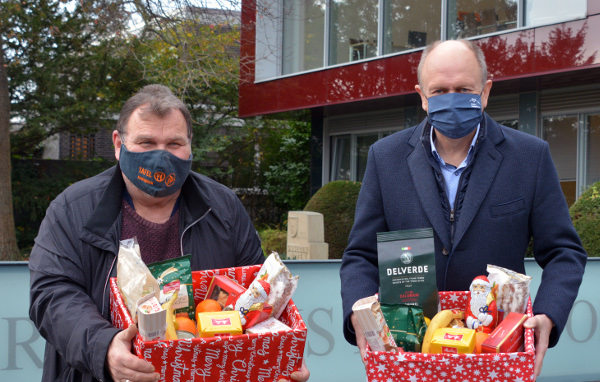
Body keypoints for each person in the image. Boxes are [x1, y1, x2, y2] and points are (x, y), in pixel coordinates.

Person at [339, 40, 587, 378]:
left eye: (463, 89)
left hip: (495, 352)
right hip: (409, 353)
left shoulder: (529, 158)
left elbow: (564, 252)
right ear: (422, 97)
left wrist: (549, 314)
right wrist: (358, 314)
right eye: (439, 90)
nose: (451, 99)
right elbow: (361, 255)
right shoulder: (386, 158)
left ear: (485, 92)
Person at [29, 85, 309, 382]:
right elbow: (52, 295)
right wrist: (104, 346)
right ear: (118, 144)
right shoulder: (73, 209)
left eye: (174, 143)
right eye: (146, 142)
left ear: (190, 145)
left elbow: (256, 293)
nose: (160, 157)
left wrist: (275, 357)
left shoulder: (224, 208)